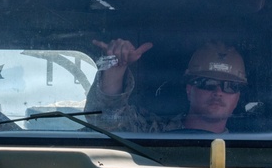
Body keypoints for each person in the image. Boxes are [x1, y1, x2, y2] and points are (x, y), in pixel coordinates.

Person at [85, 39, 247, 133]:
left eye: (230, 86)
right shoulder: (154, 132)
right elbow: (104, 122)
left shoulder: (250, 145)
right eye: (208, 83)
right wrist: (116, 68)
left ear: (237, 97)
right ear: (189, 89)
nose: (218, 92)